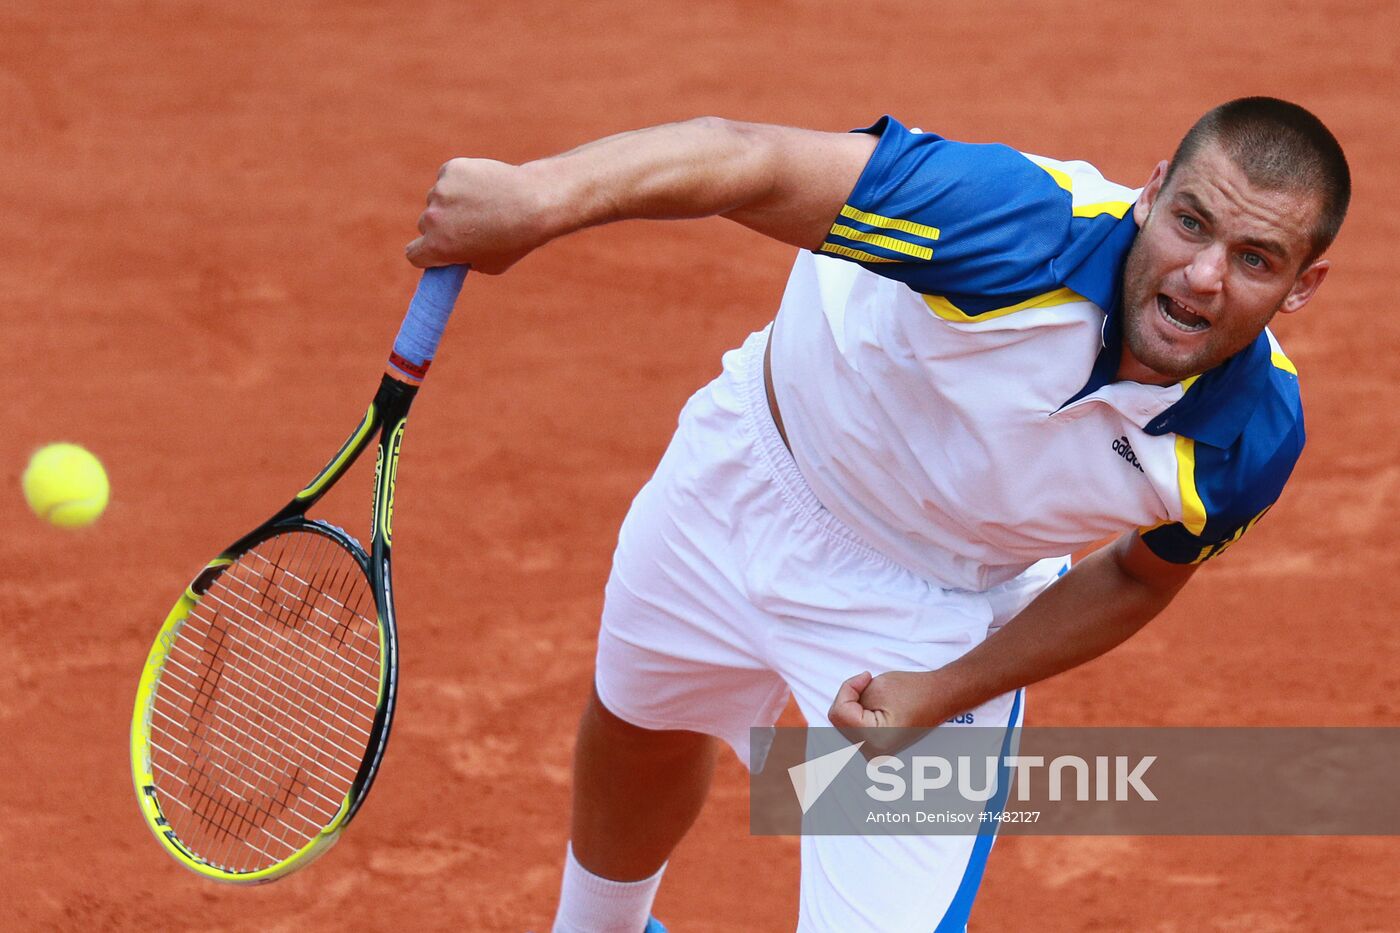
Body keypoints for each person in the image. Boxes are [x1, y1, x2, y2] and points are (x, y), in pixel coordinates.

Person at [406, 97, 1349, 932]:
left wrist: (948, 686)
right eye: (1191, 223)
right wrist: (539, 196)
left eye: (1255, 258)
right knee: (642, 718)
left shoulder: (1249, 438)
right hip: (746, 473)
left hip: (930, 613)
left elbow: (1142, 577)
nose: (1202, 276)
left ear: (1300, 287)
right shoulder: (1010, 220)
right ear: (1151, 192)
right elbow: (747, 157)